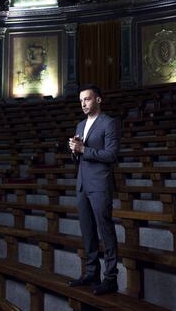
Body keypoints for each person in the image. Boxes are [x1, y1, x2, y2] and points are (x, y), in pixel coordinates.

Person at [68, 84, 121, 295]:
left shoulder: (109, 123)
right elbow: (79, 157)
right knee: (87, 231)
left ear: (98, 100)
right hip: (82, 183)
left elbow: (111, 155)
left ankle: (111, 278)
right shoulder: (80, 124)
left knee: (105, 230)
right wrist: (74, 150)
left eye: (87, 99)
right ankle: (92, 272)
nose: (83, 104)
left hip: (100, 184)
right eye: (81, 100)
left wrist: (84, 149)